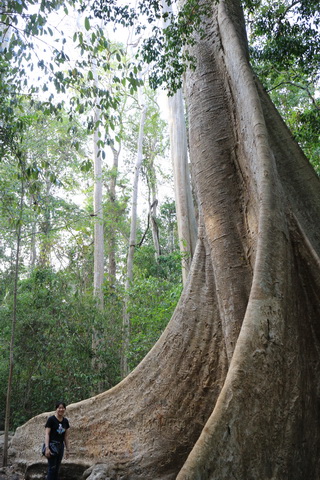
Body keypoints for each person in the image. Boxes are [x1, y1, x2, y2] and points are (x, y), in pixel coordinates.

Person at [44, 401, 70, 480]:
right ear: (56, 409)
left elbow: (66, 436)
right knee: (52, 468)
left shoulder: (65, 421)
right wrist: (47, 448)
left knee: (57, 468)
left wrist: (68, 450)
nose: (61, 409)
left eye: (62, 408)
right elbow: (47, 434)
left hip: (60, 446)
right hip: (52, 445)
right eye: (59, 408)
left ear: (65, 409)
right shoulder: (51, 420)